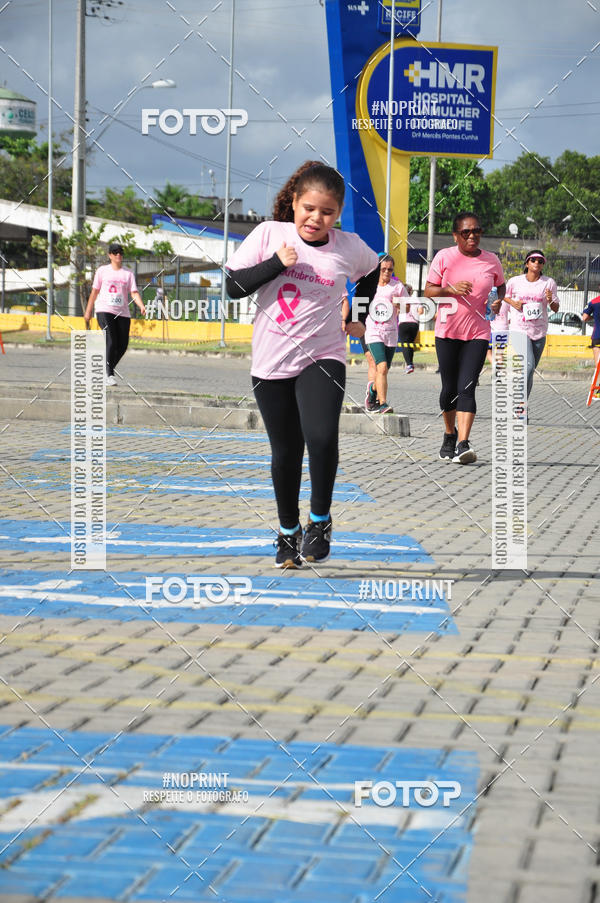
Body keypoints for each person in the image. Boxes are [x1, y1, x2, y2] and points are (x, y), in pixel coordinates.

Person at [225, 161, 379, 568]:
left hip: (323, 354)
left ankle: (320, 521)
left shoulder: (349, 246)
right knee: (286, 452)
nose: (315, 218)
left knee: (322, 437)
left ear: (338, 213)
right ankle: (288, 531)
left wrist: (358, 314)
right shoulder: (269, 234)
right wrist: (277, 263)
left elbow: (372, 270)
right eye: (309, 208)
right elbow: (233, 286)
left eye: (327, 212)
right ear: (294, 202)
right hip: (271, 361)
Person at [425, 212, 505, 464]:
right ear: (455, 235)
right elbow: (428, 291)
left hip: (478, 333)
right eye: (466, 232)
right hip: (447, 332)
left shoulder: (491, 260)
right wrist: (449, 289)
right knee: (449, 389)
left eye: (477, 231)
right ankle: (450, 434)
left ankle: (463, 444)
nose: (472, 236)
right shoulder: (444, 257)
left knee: (467, 387)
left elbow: (500, 285)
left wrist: (497, 300)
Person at [496, 249, 559, 400]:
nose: (537, 263)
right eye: (533, 260)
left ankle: (522, 403)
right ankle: (520, 403)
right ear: (527, 263)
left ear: (543, 265)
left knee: (530, 370)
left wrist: (550, 299)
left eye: (540, 261)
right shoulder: (515, 281)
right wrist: (514, 303)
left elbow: (555, 308)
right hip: (519, 330)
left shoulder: (549, 282)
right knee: (528, 366)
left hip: (539, 331)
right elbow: (503, 295)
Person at [84, 243, 146, 386]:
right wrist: (88, 311)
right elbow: (94, 292)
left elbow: (134, 293)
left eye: (120, 252)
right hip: (104, 310)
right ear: (110, 255)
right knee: (111, 340)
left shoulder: (128, 274)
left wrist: (141, 305)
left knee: (122, 345)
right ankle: (109, 374)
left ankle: (106, 369)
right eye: (115, 252)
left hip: (123, 313)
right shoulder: (102, 271)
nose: (118, 255)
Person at [364, 254, 409, 413]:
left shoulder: (398, 287)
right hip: (373, 331)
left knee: (383, 371)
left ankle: (372, 391)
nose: (386, 272)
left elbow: (407, 308)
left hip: (390, 333)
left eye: (390, 270)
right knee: (381, 367)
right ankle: (382, 403)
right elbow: (360, 306)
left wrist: (399, 303)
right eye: (383, 269)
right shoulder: (369, 285)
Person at [582, 294, 600, 396]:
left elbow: (584, 318)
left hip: (597, 336)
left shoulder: (593, 302)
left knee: (598, 365)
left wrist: (594, 316)